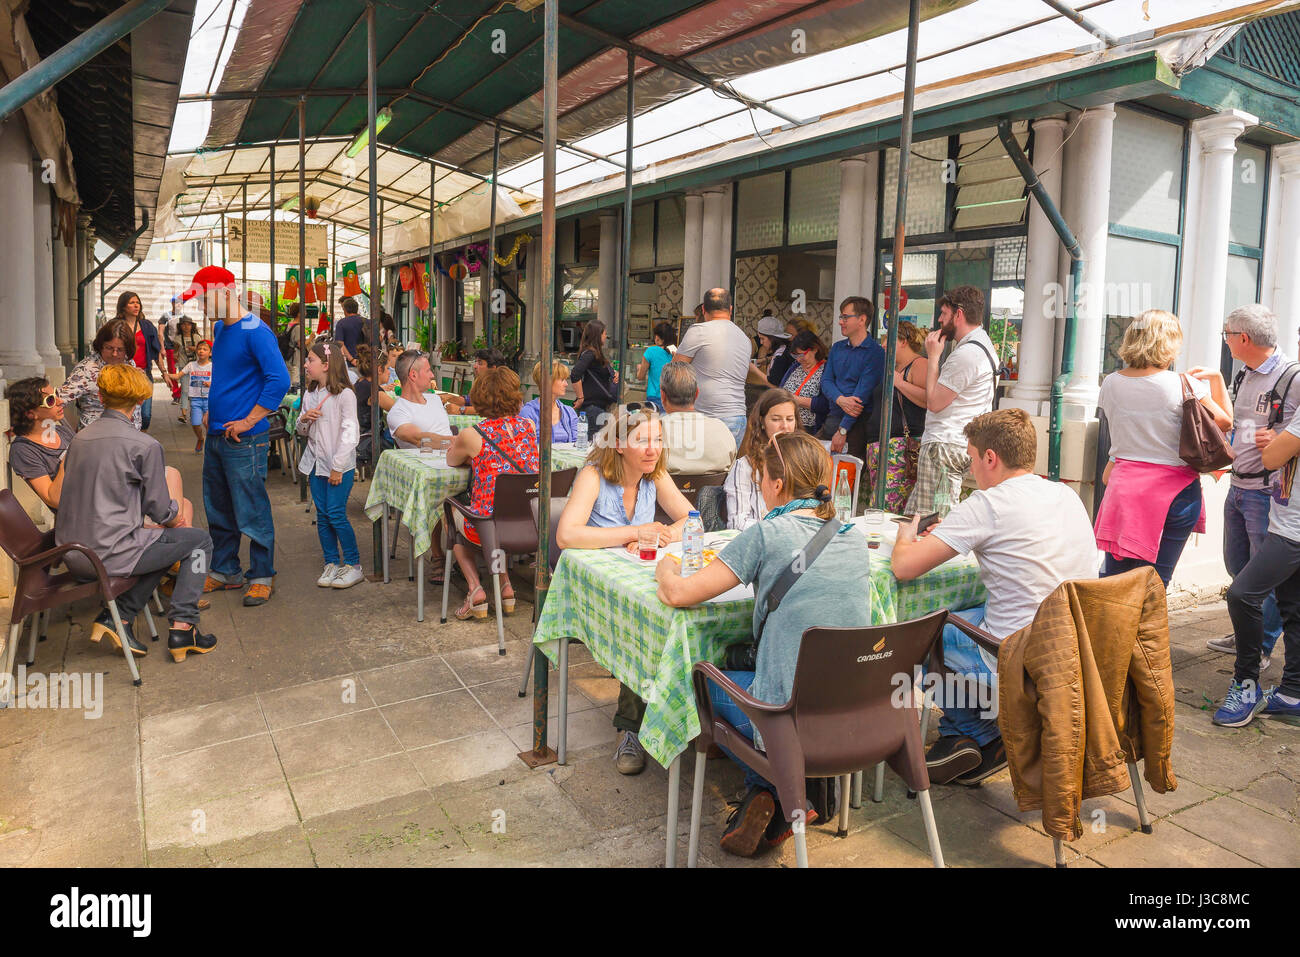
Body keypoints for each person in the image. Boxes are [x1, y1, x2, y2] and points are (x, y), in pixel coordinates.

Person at [657, 430, 873, 855]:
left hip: (785, 718)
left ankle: (774, 789)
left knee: (701, 680)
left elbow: (679, 594)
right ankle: (783, 796)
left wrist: (667, 564)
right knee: (764, 669)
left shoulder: (765, 534)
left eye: (761, 480)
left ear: (777, 485)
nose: (758, 487)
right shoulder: (854, 536)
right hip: (853, 715)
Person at [892, 408, 1098, 785]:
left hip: (1017, 657)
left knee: (909, 635)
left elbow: (904, 567)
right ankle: (973, 734)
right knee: (961, 614)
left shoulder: (988, 504)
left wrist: (906, 532)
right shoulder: (1065, 494)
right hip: (1075, 650)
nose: (971, 469)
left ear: (991, 457)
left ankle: (979, 736)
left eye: (972, 457)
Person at [556, 405, 694, 775]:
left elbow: (691, 518)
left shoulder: (655, 474)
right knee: (645, 624)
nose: (653, 449)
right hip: (592, 591)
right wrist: (634, 532)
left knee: (672, 615)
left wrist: (663, 533)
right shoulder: (594, 475)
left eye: (658, 440)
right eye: (643, 440)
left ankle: (681, 716)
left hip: (635, 579)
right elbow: (566, 535)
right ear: (618, 444)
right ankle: (630, 729)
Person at [56, 364, 216, 661]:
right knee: (198, 542)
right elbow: (159, 508)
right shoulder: (143, 444)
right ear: (140, 400)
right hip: (109, 552)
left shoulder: (79, 439)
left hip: (72, 552)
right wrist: (176, 516)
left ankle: (120, 618)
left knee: (163, 545)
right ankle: (184, 625)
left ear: (101, 398)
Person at [1094, 310, 1232, 585]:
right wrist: (1216, 379)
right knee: (1155, 584)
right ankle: (1148, 629)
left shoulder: (1110, 383)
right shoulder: (1183, 384)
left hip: (1123, 491)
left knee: (1114, 583)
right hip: (1173, 493)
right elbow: (1225, 422)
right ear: (1168, 344)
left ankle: (1112, 628)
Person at [181, 264, 291, 608]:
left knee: (251, 508)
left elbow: (280, 380)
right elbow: (230, 375)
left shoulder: (256, 331)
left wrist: (249, 420)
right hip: (216, 434)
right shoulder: (219, 328)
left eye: (203, 298)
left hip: (245, 439)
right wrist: (214, 409)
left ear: (225, 293)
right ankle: (226, 569)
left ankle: (261, 574)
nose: (199, 306)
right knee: (218, 507)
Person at [1203, 305, 1297, 671]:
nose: (1225, 341)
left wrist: (1278, 437)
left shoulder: (1293, 377)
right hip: (1237, 484)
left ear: (1242, 338)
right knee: (1238, 567)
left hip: (1265, 491)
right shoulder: (1244, 373)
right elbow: (1236, 422)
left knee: (1264, 577)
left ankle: (1259, 645)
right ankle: (1247, 632)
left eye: (1226, 335)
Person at [1213, 396, 1300, 727]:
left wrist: (1279, 442)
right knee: (1293, 609)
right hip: (1287, 521)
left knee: (1242, 594)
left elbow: (1271, 457)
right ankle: (1293, 694)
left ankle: (1246, 686)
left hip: (1293, 531)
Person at [446, 367, 540, 620]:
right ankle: (504, 585)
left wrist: (473, 459)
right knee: (501, 512)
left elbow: (452, 460)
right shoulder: (529, 426)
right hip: (530, 526)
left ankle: (475, 588)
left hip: (490, 528)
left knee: (452, 513)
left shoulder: (472, 435)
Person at [904, 286, 999, 517]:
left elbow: (934, 402)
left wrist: (934, 357)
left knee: (932, 522)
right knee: (912, 517)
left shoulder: (967, 354)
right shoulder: (981, 346)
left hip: (944, 444)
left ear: (959, 314)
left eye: (944, 313)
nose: (939, 319)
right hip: (955, 441)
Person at [297, 341, 363, 590]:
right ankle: (331, 562)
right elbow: (302, 431)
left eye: (310, 360)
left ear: (326, 365)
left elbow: (350, 432)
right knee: (323, 515)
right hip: (315, 464)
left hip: (338, 466)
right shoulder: (309, 394)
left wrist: (337, 466)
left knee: (336, 513)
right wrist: (304, 419)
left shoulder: (345, 395)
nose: (305, 364)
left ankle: (354, 565)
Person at [863, 320, 928, 513]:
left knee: (884, 508)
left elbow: (928, 399)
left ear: (903, 341)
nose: (883, 344)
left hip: (899, 448)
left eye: (888, 339)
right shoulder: (893, 367)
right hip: (880, 446)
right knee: (882, 506)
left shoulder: (919, 364)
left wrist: (899, 383)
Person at [673, 288, 751, 445]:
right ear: (730, 309)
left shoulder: (699, 331)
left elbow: (675, 372)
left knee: (697, 467)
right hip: (737, 417)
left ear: (703, 309)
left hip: (706, 416)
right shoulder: (744, 338)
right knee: (725, 468)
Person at [818, 296, 886, 460]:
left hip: (856, 424)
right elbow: (825, 381)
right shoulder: (837, 348)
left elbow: (861, 397)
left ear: (862, 319)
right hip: (832, 416)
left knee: (845, 477)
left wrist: (843, 430)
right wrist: (841, 399)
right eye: (841, 317)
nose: (841, 321)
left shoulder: (876, 353)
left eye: (845, 317)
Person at [725, 388, 799, 531]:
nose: (784, 426)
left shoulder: (803, 461)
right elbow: (737, 524)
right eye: (776, 419)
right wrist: (780, 528)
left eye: (790, 419)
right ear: (762, 422)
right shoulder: (744, 466)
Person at [59, 320, 143, 431]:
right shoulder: (86, 370)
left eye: (120, 350)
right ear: (100, 345)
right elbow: (58, 400)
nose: (114, 354)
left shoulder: (129, 362)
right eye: (109, 348)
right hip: (97, 439)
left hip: (129, 436)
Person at [658, 362, 737, 474]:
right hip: (713, 490)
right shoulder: (721, 429)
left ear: (662, 395)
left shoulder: (652, 432)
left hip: (661, 491)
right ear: (696, 394)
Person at [113, 290, 176, 430]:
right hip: (122, 375)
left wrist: (164, 373)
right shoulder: (115, 325)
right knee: (124, 415)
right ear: (123, 306)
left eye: (138, 303)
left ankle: (140, 440)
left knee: (145, 416)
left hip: (144, 375)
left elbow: (156, 352)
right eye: (132, 303)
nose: (136, 306)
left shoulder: (146, 326)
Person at [387, 349, 452, 449]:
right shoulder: (398, 413)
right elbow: (420, 440)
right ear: (413, 375)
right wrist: (459, 442)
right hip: (429, 463)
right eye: (428, 370)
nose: (432, 375)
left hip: (454, 460)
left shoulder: (435, 399)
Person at [570, 319, 619, 439]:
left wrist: (613, 373)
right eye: (604, 333)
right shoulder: (590, 353)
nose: (606, 336)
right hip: (593, 409)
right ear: (598, 335)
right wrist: (580, 398)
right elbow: (575, 373)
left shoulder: (594, 353)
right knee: (595, 444)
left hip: (598, 407)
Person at [779, 329, 828, 433]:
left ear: (814, 349)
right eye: (795, 356)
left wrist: (793, 399)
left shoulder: (826, 369)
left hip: (809, 430)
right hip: (787, 426)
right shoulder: (795, 367)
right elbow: (781, 389)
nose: (798, 359)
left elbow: (825, 404)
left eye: (802, 355)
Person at [520, 359, 579, 442]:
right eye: (562, 380)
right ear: (548, 381)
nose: (566, 384)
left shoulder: (569, 412)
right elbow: (525, 447)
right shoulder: (528, 412)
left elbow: (576, 444)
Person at [179, 339, 213, 453]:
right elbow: (178, 375)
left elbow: (220, 382)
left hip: (209, 399)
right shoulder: (191, 365)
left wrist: (211, 384)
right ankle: (200, 438)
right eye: (199, 349)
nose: (201, 351)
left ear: (210, 353)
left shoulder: (213, 366)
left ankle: (209, 443)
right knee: (195, 423)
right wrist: (166, 374)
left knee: (207, 423)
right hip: (195, 399)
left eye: (205, 349)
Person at [636, 321, 677, 412]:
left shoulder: (651, 351)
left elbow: (640, 377)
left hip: (654, 397)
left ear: (658, 338)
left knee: (654, 424)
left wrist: (639, 368)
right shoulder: (675, 352)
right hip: (672, 398)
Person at [174, 316, 202, 424]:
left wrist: (195, 349)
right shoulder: (177, 338)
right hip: (183, 366)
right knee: (185, 390)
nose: (186, 327)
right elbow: (175, 352)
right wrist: (175, 355)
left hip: (196, 366)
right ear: (180, 326)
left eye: (189, 324)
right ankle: (183, 413)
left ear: (192, 326)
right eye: (184, 324)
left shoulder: (196, 337)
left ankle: (197, 411)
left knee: (197, 389)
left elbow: (203, 349)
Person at [756, 314, 794, 387]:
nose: (761, 342)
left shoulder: (781, 357)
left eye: (763, 338)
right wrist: (765, 360)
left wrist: (754, 370)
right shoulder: (784, 349)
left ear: (773, 338)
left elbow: (773, 383)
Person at [334, 297, 366, 366]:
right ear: (356, 309)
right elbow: (379, 338)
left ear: (344, 310)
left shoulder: (341, 323)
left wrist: (352, 360)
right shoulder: (367, 322)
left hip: (349, 363)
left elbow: (340, 344)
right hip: (366, 362)